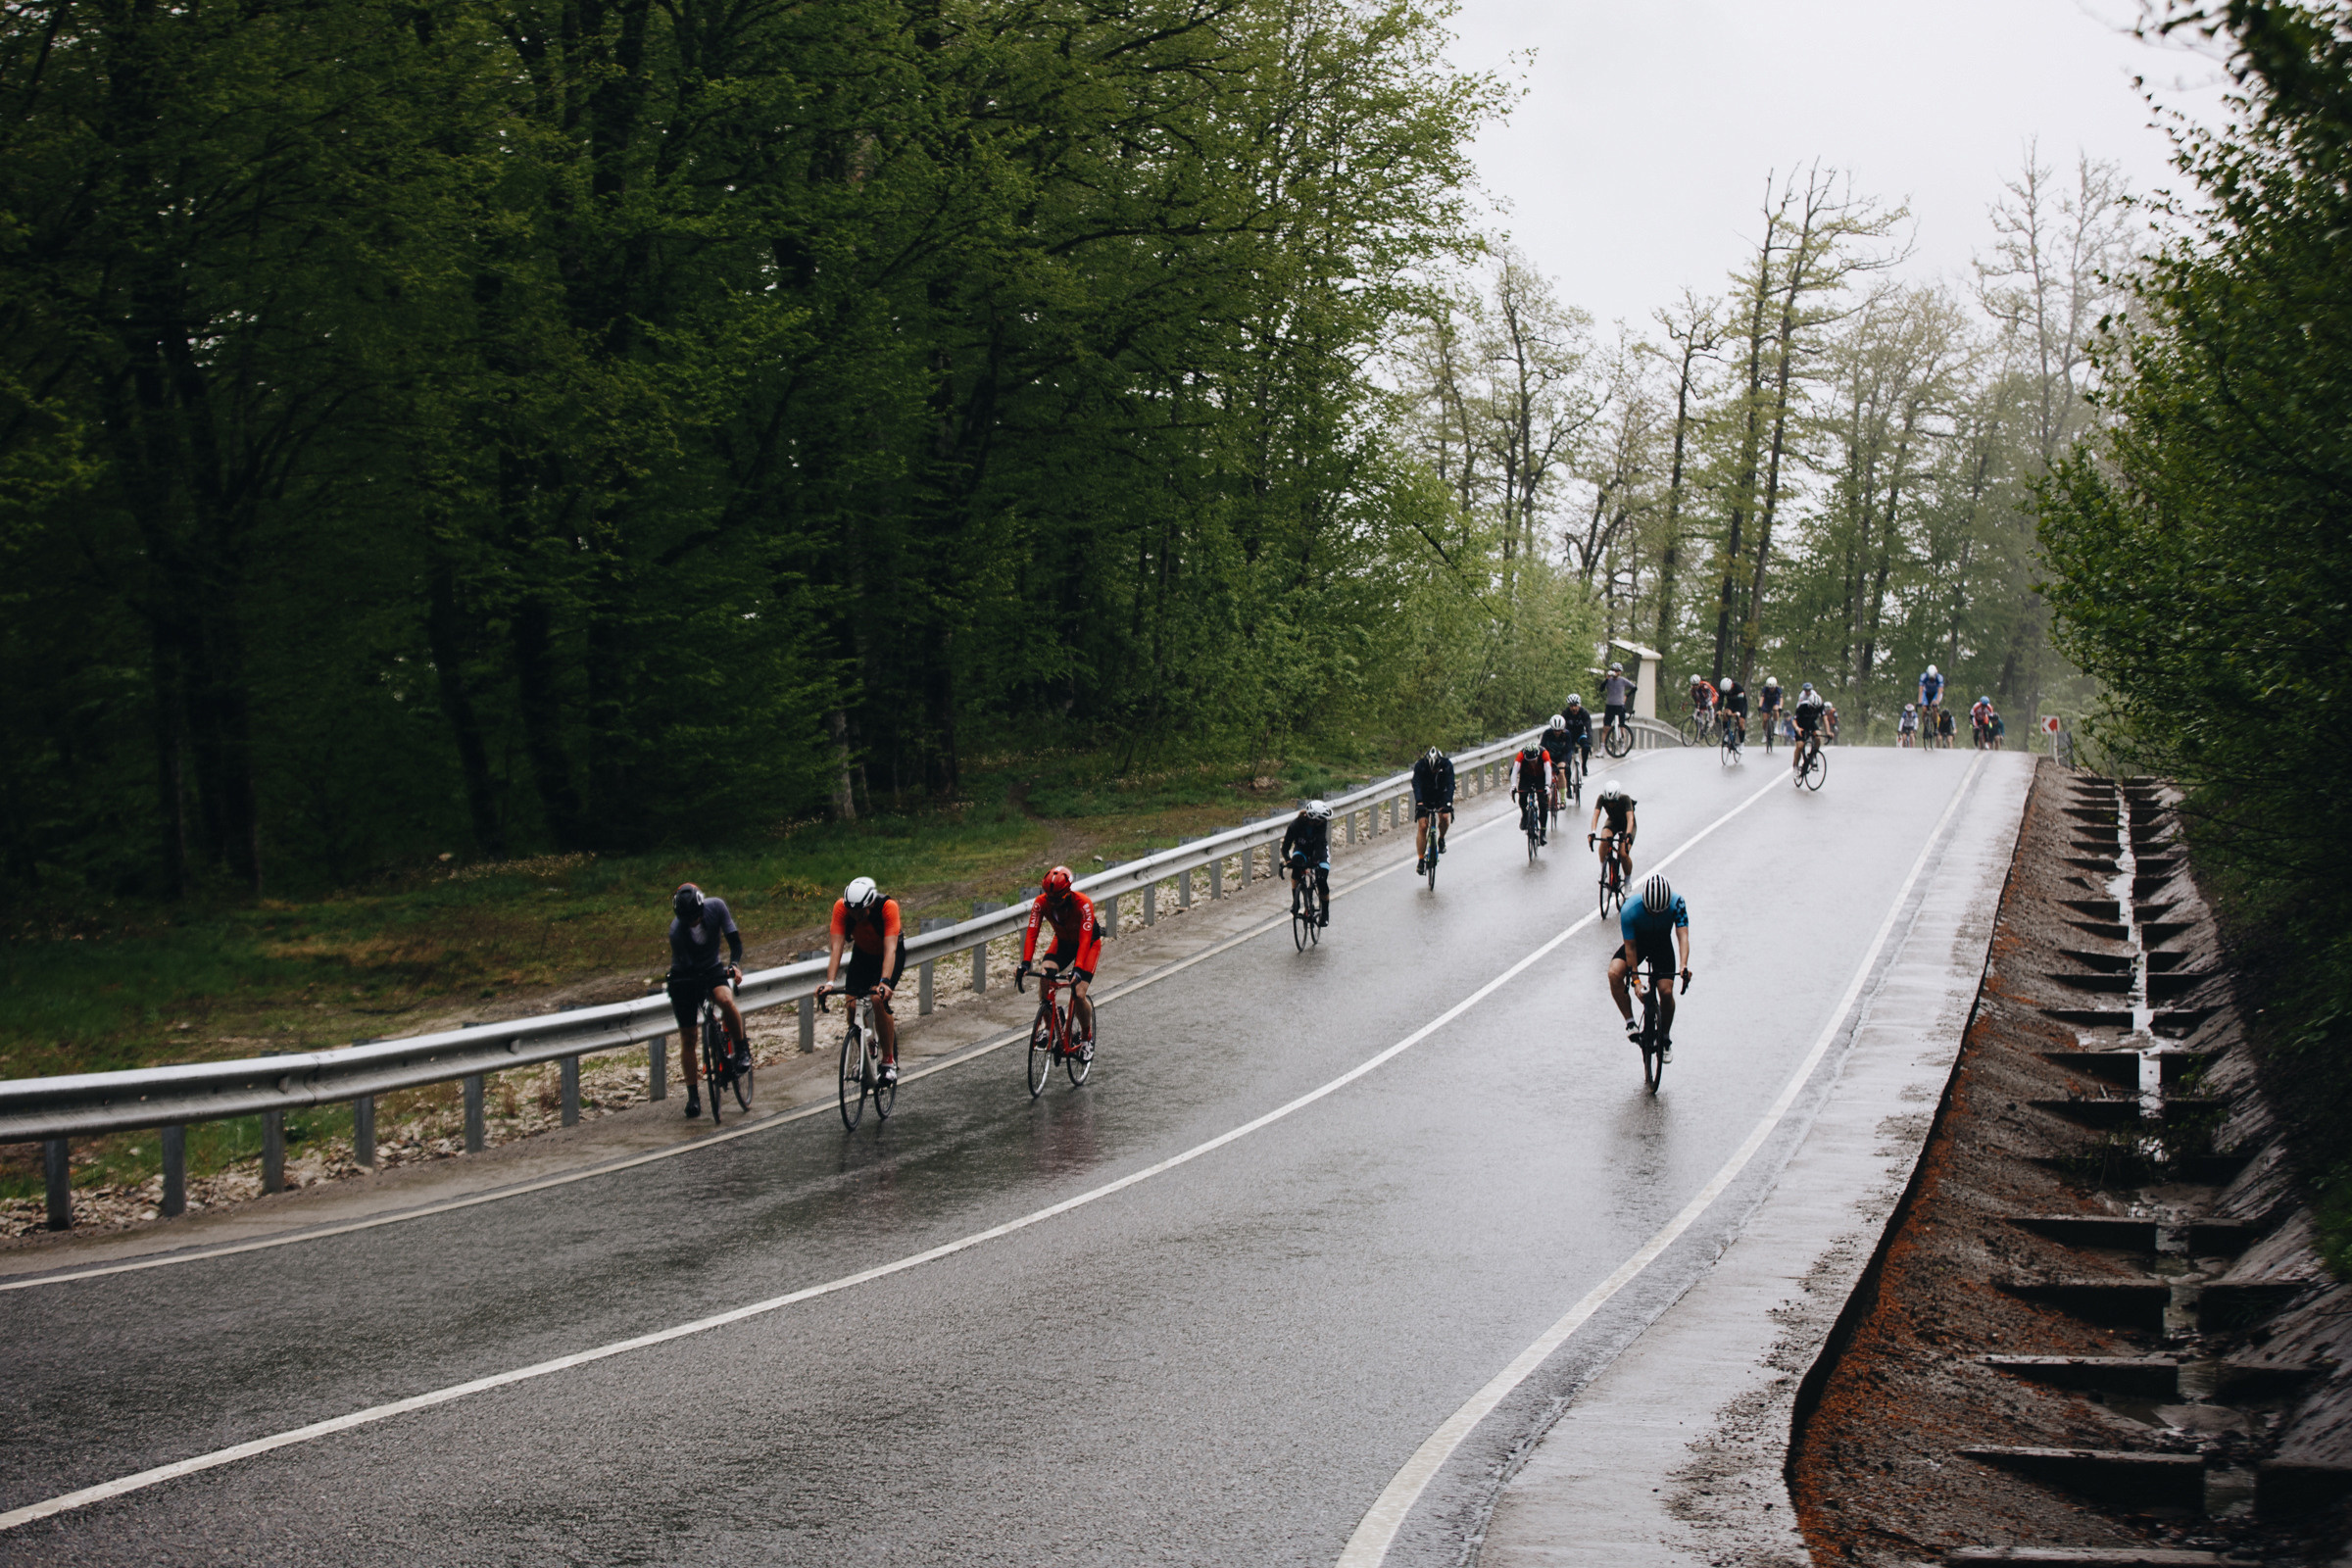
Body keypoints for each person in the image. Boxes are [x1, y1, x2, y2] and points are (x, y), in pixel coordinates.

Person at [666, 882, 748, 1120]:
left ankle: (742, 1049)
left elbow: (735, 941)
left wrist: (734, 965)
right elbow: (688, 965)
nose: (692, 921)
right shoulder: (676, 931)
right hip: (685, 973)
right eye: (686, 918)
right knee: (688, 1036)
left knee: (724, 998)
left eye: (695, 916)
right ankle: (693, 1096)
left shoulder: (717, 907)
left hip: (712, 967)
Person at [820, 876, 906, 1086]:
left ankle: (888, 1062)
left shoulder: (887, 907)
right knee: (851, 1005)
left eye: (860, 912)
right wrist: (830, 982)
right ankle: (867, 1048)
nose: (856, 916)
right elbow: (837, 949)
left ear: (870, 904)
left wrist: (884, 982)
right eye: (852, 912)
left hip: (889, 955)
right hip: (863, 954)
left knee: (878, 1000)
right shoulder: (842, 908)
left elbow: (890, 949)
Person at [1017, 865, 1102, 1047]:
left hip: (1087, 945)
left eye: (1058, 899)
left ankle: (1087, 1038)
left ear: (1068, 893)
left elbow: (1085, 940)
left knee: (1078, 993)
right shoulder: (1041, 902)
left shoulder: (1083, 904)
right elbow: (1032, 932)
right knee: (1045, 974)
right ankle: (1049, 1028)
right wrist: (1025, 963)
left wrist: (1077, 969)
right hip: (1063, 942)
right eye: (1050, 898)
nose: (1053, 903)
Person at [1610, 874, 1692, 1060]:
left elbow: (1683, 937)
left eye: (1660, 912)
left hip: (1662, 945)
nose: (1656, 915)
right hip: (1639, 943)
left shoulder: (1677, 903)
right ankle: (1631, 1023)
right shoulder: (1630, 909)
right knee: (1614, 973)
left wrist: (1683, 965)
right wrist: (1636, 981)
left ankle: (1664, 1038)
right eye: (1651, 912)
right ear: (1645, 904)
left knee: (1665, 991)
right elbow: (1630, 948)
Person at [1282, 800, 1333, 926]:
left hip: (1319, 850)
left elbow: (1320, 845)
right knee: (1296, 868)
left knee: (1321, 879)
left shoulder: (1322, 824)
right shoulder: (1295, 825)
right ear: (1313, 819)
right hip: (1302, 850)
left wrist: (1314, 863)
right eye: (1321, 819)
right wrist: (1288, 860)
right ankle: (1296, 901)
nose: (1323, 821)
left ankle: (1325, 913)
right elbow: (1286, 846)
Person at [1412, 746, 1455, 876]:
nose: (1434, 771)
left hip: (1440, 796)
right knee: (1423, 825)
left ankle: (1441, 838)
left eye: (1436, 769)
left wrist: (1447, 802)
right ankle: (1420, 859)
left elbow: (1451, 784)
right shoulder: (1420, 766)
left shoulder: (1447, 765)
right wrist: (1419, 802)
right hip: (1424, 797)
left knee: (1444, 817)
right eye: (1432, 769)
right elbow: (1416, 784)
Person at [1589, 779, 1636, 886]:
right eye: (1608, 802)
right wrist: (1593, 832)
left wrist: (1628, 834)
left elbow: (1630, 819)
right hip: (1613, 821)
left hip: (1626, 825)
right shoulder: (1601, 798)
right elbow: (1596, 815)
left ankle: (1628, 881)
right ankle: (1603, 871)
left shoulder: (1625, 799)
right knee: (1604, 839)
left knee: (1623, 853)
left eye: (1613, 801)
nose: (1610, 804)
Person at [1511, 739, 1552, 844]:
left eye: (1534, 761)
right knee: (1522, 796)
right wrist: (1513, 785)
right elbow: (1515, 770)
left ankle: (1543, 832)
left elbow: (1548, 770)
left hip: (1541, 777)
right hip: (1526, 777)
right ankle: (1525, 815)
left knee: (1543, 804)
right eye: (1529, 761)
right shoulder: (1521, 754)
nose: (1532, 763)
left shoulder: (1544, 754)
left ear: (1538, 756)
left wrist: (1548, 785)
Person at [1556, 698, 1593, 800]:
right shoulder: (1565, 713)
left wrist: (1589, 742)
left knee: (1585, 747)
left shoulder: (1584, 713)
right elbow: (1561, 729)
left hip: (1580, 735)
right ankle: (1568, 787)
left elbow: (1589, 729)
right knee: (1567, 764)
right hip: (1569, 737)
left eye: (1575, 706)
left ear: (1579, 705)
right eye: (1571, 706)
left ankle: (1584, 766)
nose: (1574, 708)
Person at [1540, 713, 1577, 810]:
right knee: (1547, 773)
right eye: (1555, 730)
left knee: (1561, 772)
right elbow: (1542, 748)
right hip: (1549, 756)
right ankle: (1548, 797)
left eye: (1559, 730)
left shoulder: (1567, 734)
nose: (1557, 732)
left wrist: (1564, 763)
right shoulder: (1547, 733)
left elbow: (1568, 750)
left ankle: (1563, 800)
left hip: (1562, 755)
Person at [1789, 682, 1827, 779]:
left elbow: (1825, 719)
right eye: (1812, 708)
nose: (1814, 711)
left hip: (1810, 724)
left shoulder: (1819, 706)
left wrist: (1829, 732)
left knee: (1818, 736)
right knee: (1800, 746)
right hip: (1800, 725)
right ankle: (1796, 766)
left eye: (1816, 709)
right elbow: (1794, 721)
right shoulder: (1802, 707)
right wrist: (1797, 729)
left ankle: (1812, 755)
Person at [1600, 662, 1637, 744]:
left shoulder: (1623, 681)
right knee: (1606, 727)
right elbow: (1601, 689)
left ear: (1620, 672)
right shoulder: (1608, 680)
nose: (1615, 672)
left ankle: (1622, 744)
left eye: (1617, 671)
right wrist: (1606, 679)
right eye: (1613, 670)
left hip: (1620, 705)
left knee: (1621, 726)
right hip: (1610, 705)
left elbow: (1634, 688)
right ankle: (1602, 748)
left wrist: (1626, 696)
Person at [1718, 675, 1748, 744]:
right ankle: (1726, 734)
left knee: (1740, 723)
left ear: (1731, 686)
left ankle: (1741, 743)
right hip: (1731, 703)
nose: (1728, 693)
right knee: (1725, 714)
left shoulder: (1738, 687)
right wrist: (1719, 710)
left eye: (1728, 691)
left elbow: (1741, 702)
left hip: (1741, 704)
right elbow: (1720, 700)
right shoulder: (1722, 689)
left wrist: (1738, 713)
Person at [1759, 675, 1784, 746]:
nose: (1771, 689)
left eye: (1772, 688)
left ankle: (1776, 727)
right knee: (1765, 719)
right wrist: (1760, 706)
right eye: (1769, 688)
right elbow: (1762, 698)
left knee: (1776, 709)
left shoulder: (1778, 689)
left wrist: (1780, 706)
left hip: (1775, 702)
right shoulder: (1765, 689)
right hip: (1766, 703)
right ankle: (1764, 734)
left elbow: (1781, 699)